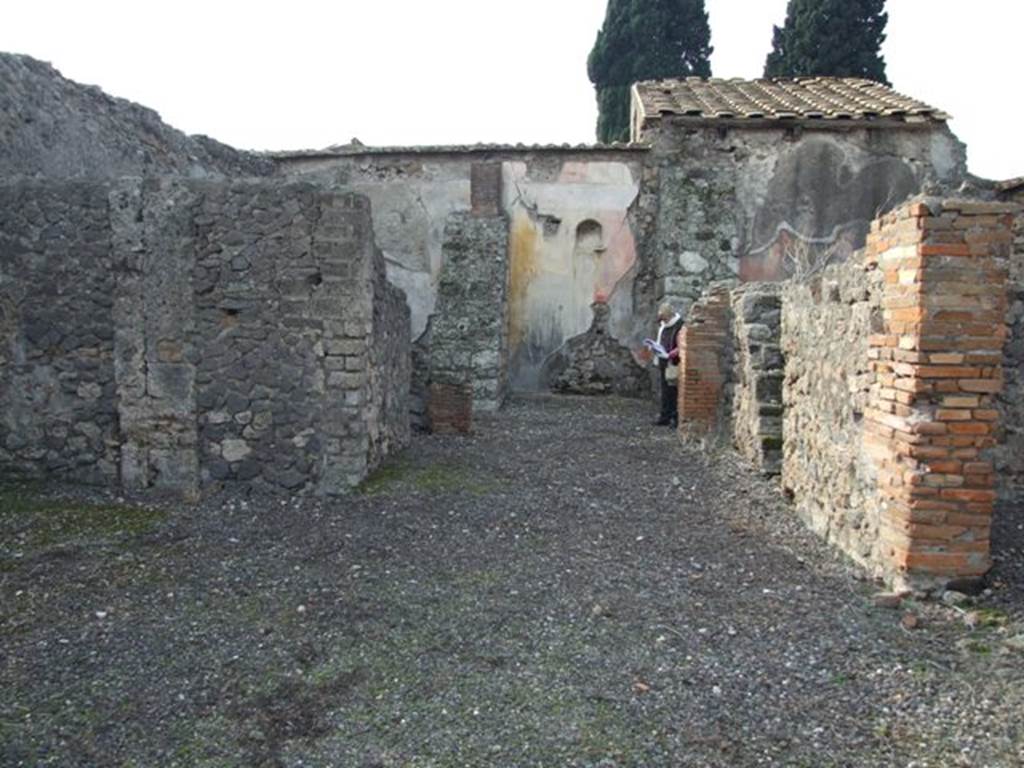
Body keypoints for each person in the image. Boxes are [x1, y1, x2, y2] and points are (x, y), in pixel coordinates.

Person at [653, 302, 683, 427]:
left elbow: (681, 344)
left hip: (674, 362)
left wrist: (673, 353)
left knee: (674, 390)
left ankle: (675, 417)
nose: (663, 321)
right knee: (665, 390)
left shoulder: (680, 325)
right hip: (664, 361)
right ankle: (665, 415)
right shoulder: (663, 326)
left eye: (664, 319)